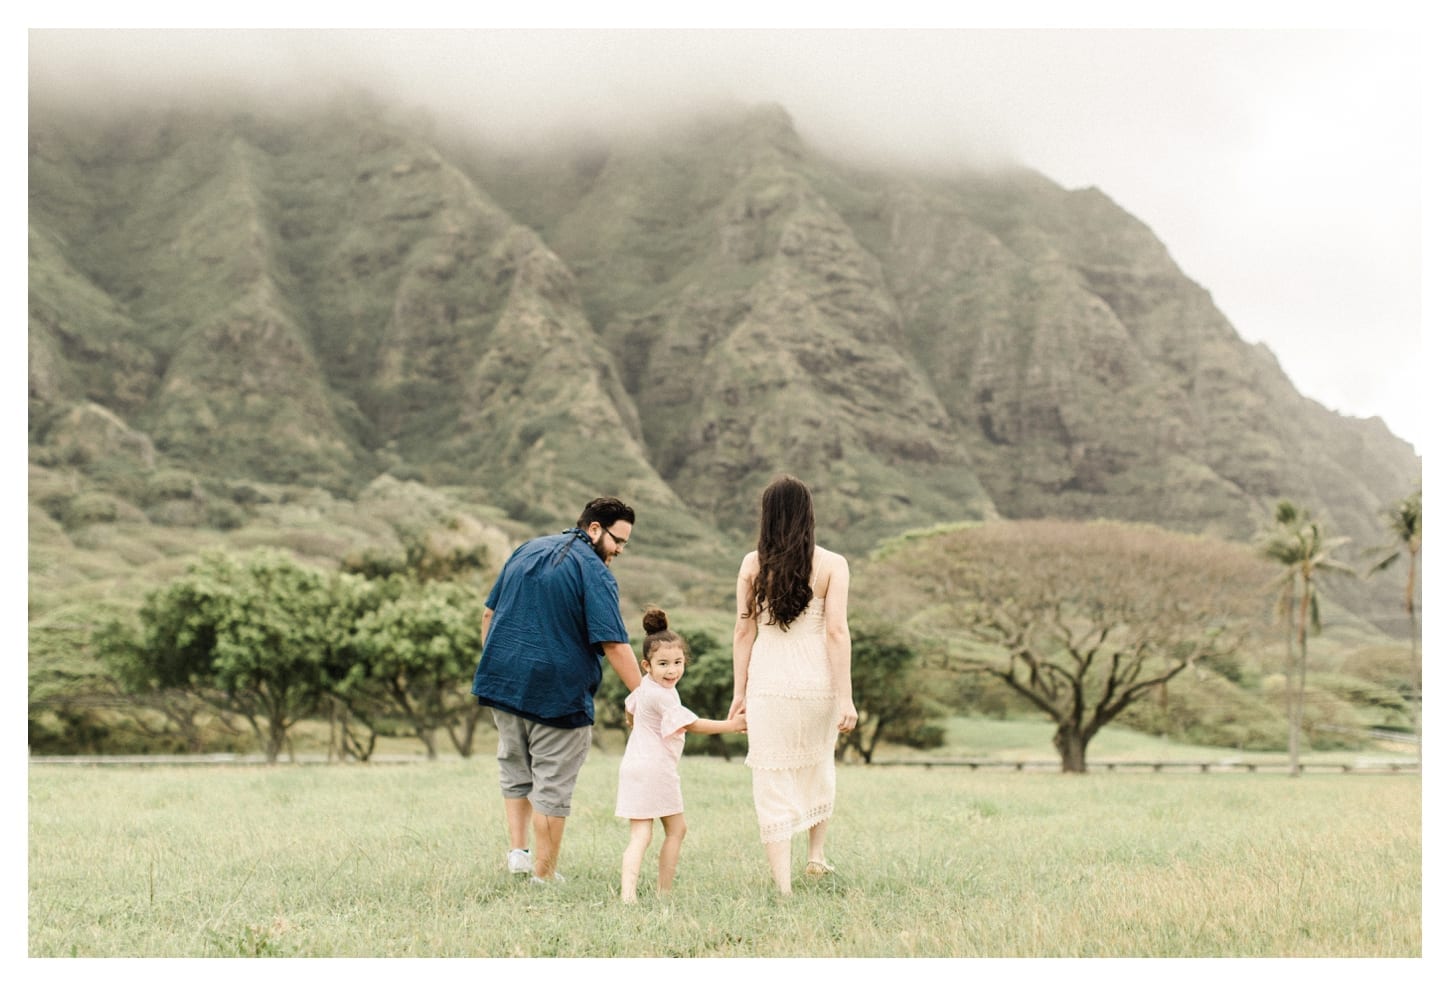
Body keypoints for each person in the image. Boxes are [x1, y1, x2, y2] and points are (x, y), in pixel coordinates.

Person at [471, 497, 643, 885]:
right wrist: (650, 698)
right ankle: (543, 876)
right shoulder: (594, 572)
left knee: (515, 768)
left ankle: (519, 854)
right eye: (618, 541)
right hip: (557, 695)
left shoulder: (526, 549)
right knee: (552, 783)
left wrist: (500, 664)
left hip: (503, 684)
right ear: (594, 529)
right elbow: (615, 644)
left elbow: (488, 614)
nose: (618, 550)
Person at [727, 475, 857, 894]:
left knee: (771, 777)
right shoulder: (833, 564)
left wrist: (738, 694)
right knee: (819, 763)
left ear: (767, 517)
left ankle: (782, 885)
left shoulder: (752, 564)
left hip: (768, 684)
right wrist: (845, 698)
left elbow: (743, 632)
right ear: (809, 515)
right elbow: (837, 632)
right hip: (816, 683)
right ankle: (815, 858)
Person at [615, 608, 747, 903]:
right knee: (676, 829)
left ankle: (628, 895)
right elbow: (691, 724)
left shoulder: (644, 686)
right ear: (647, 664)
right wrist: (733, 724)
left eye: (678, 662)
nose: (672, 670)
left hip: (634, 766)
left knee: (640, 835)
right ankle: (663, 892)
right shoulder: (663, 695)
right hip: (655, 770)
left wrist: (632, 721)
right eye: (663, 664)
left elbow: (630, 706)